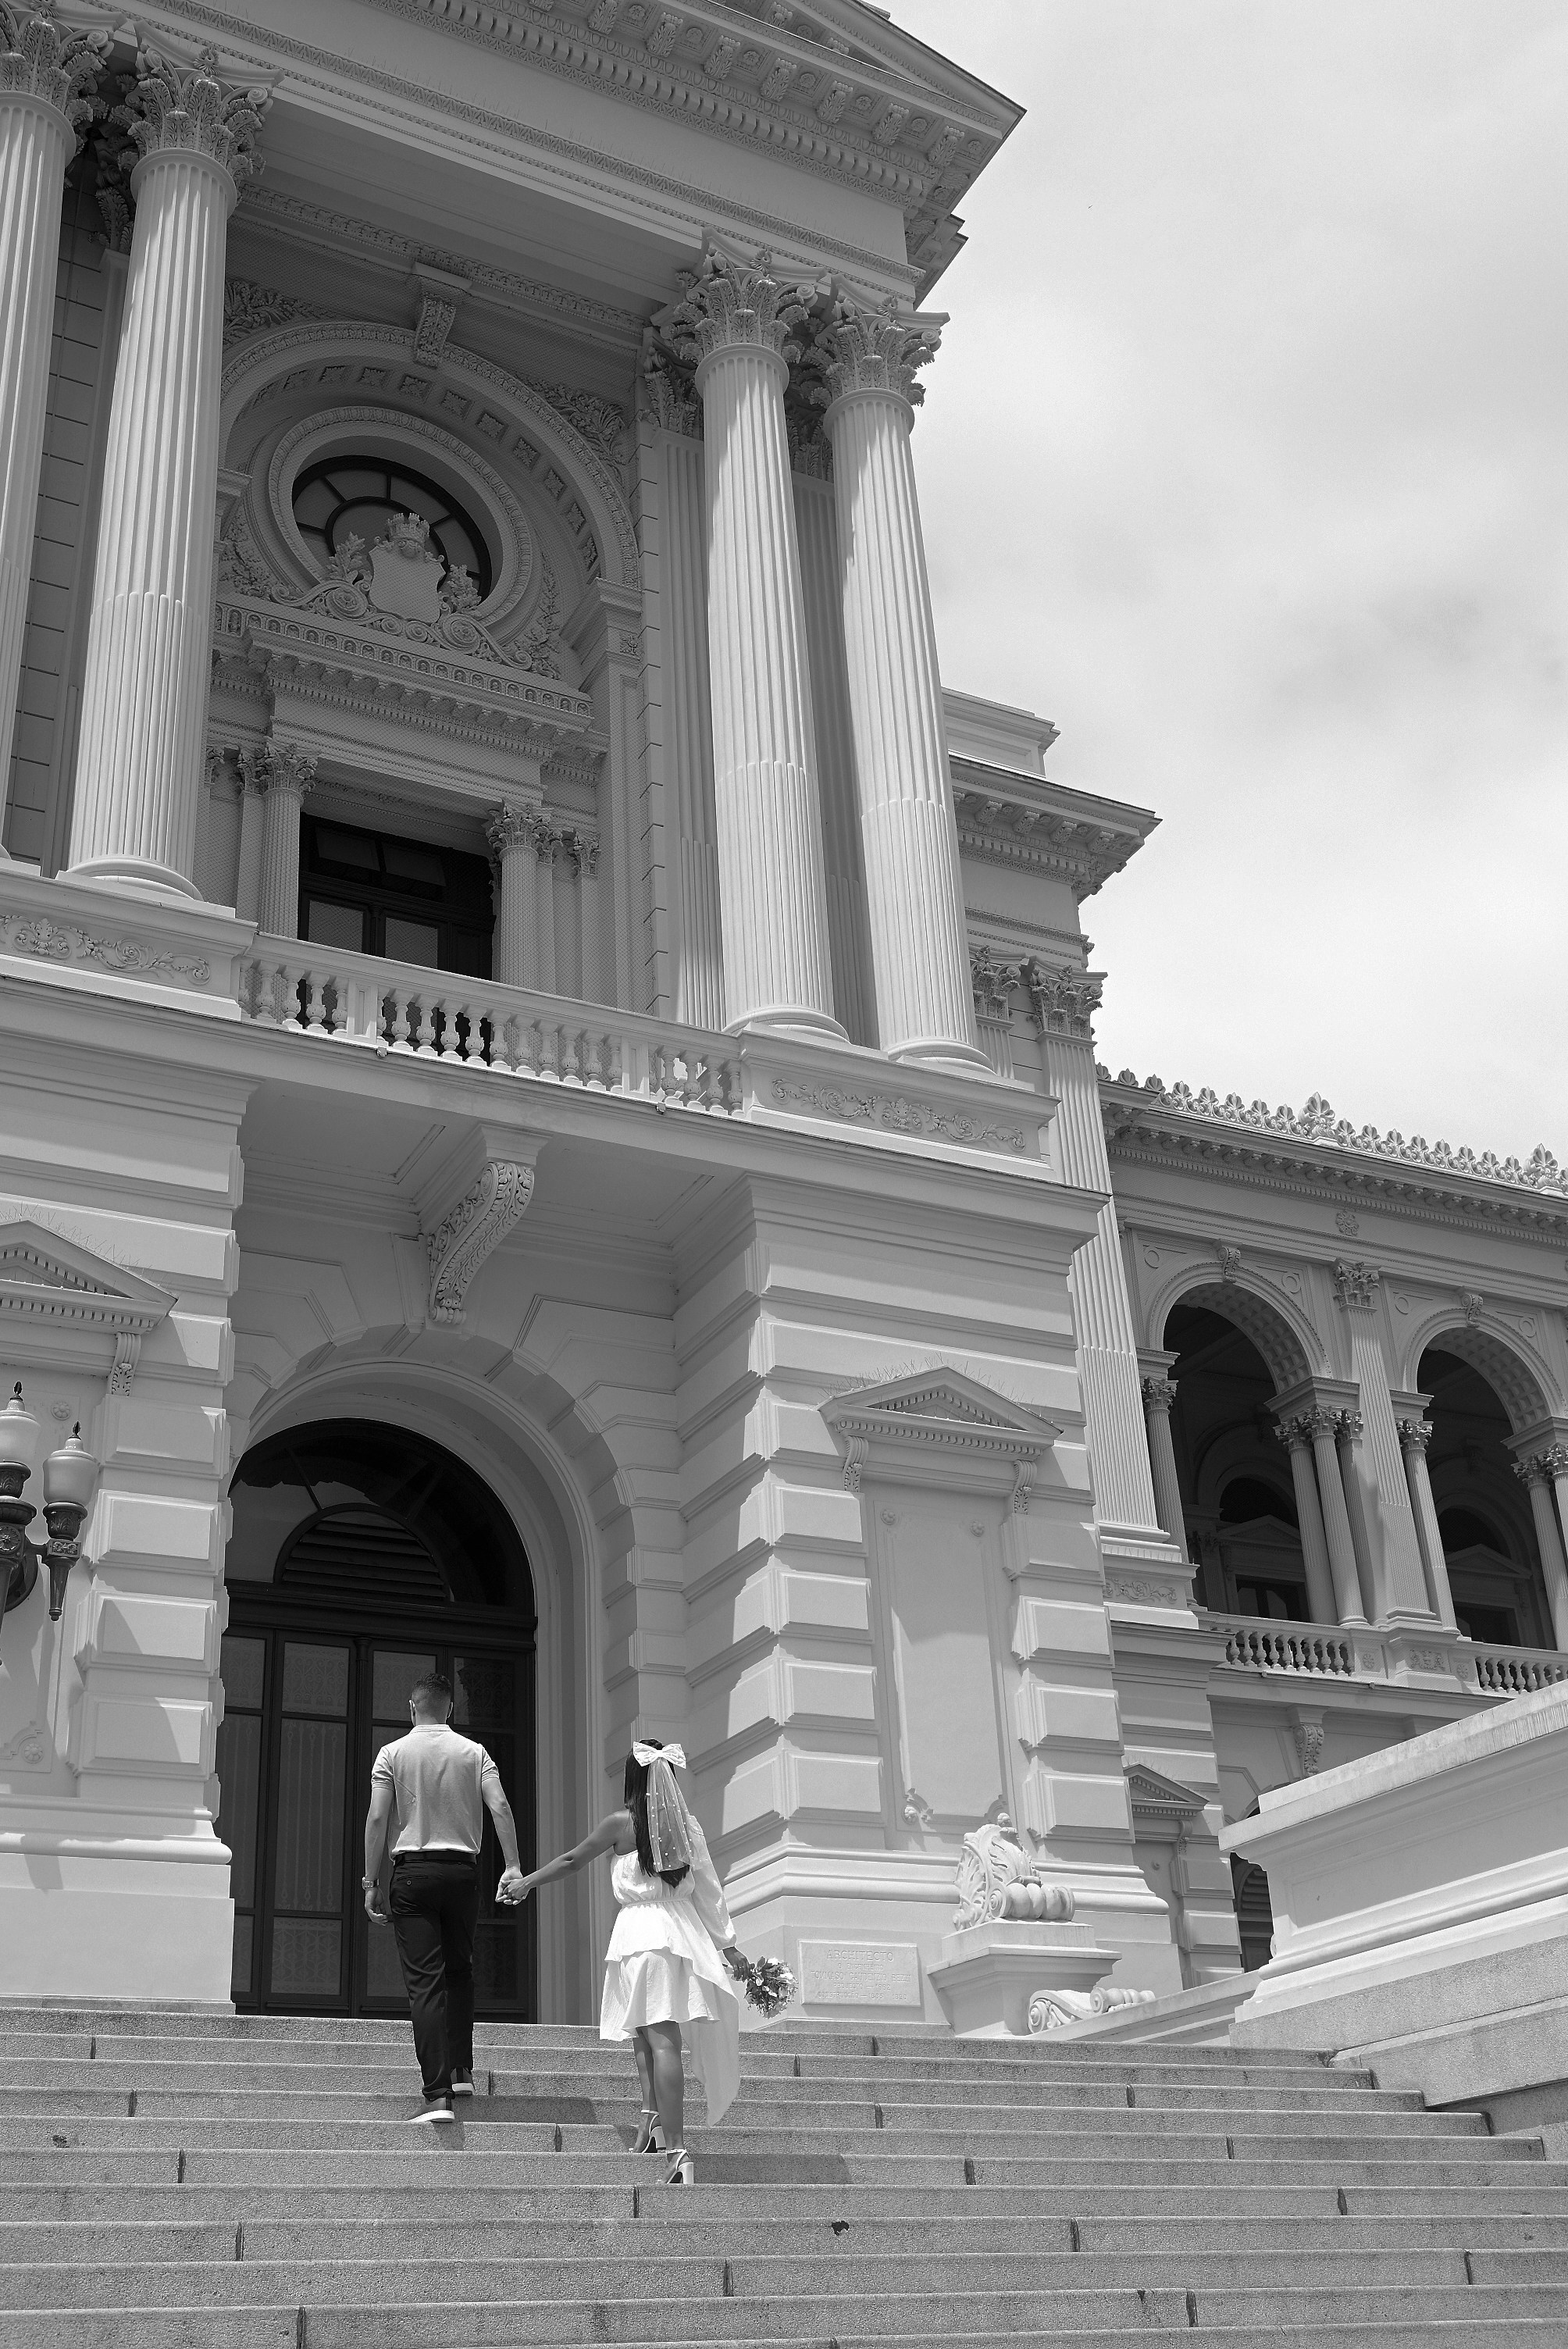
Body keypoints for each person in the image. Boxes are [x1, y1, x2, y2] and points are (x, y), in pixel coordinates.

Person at [501, 1738, 747, 2184]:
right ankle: (652, 2121)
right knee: (645, 2034)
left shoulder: (621, 1823)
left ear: (633, 1780)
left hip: (642, 1935)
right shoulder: (687, 1827)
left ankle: (678, 2152)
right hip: (681, 1934)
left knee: (661, 2040)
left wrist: (527, 1883)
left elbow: (573, 1860)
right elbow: (709, 1887)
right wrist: (727, 1944)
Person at [362, 1670, 524, 2123]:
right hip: (462, 1873)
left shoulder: (392, 1753)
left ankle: (437, 2096)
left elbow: (377, 1819)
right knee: (460, 1970)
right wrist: (513, 1866)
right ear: (450, 1708)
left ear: (412, 1708)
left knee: (425, 1983)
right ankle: (460, 2070)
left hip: (413, 1873)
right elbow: (500, 1806)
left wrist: (371, 1883)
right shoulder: (475, 1752)